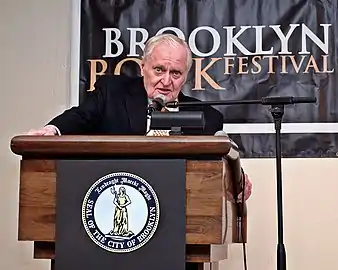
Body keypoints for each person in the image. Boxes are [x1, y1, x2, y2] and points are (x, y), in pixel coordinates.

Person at [27, 33, 251, 270]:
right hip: (104, 230)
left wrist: (235, 180)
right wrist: (53, 129)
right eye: (159, 70)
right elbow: (82, 116)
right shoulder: (112, 93)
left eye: (175, 73)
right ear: (143, 67)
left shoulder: (207, 118)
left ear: (185, 76)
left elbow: (217, 164)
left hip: (174, 234)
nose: (166, 81)